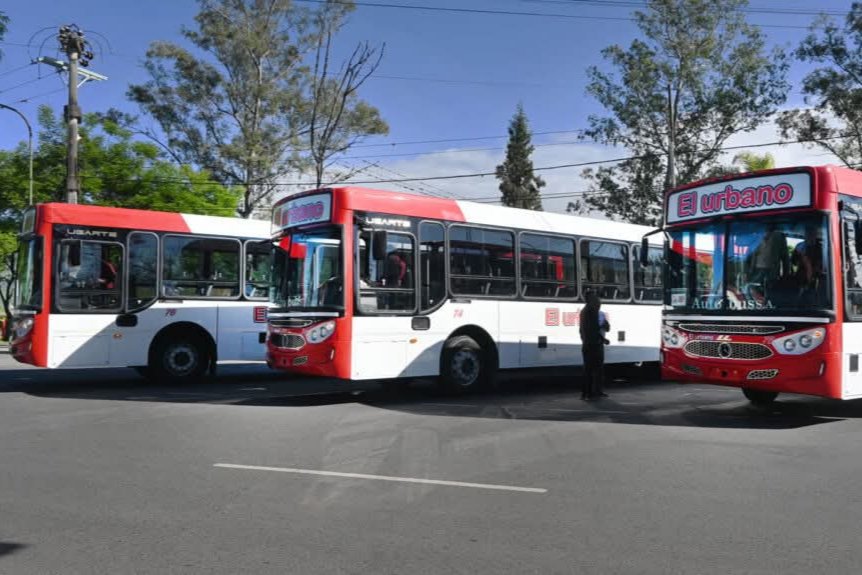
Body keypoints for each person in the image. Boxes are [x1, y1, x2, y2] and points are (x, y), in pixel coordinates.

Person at [579, 291, 609, 400]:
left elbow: (582, 330)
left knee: (591, 370)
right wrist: (603, 339)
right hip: (593, 345)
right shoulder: (591, 311)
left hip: (589, 344)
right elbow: (593, 329)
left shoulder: (585, 311)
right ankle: (589, 392)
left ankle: (590, 392)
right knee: (593, 370)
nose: (599, 302)